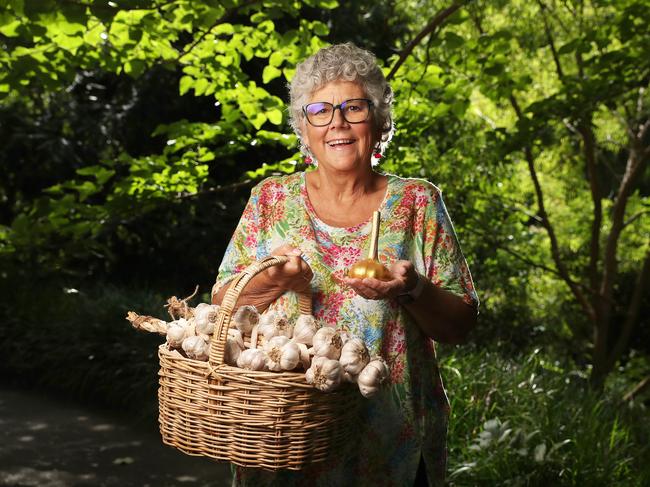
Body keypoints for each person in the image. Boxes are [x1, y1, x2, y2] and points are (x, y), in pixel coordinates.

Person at [211, 42, 479, 487]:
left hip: (391, 444)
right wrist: (274, 280)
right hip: (284, 441)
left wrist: (410, 289)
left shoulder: (416, 203)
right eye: (320, 110)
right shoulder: (270, 200)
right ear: (304, 126)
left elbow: (462, 325)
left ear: (377, 121)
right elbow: (222, 310)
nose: (337, 122)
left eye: (353, 107)